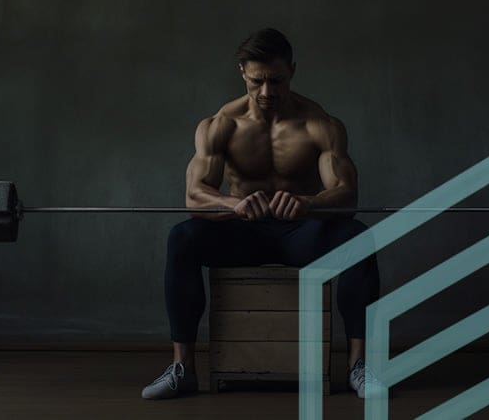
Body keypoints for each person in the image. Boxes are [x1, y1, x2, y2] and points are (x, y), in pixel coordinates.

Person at [141, 28, 382, 400]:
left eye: (277, 81)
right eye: (258, 81)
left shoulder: (320, 125)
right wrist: (232, 205)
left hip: (301, 233)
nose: (267, 92)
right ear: (243, 72)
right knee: (182, 237)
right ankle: (183, 368)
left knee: (358, 238)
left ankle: (358, 366)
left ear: (293, 72)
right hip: (242, 232)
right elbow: (194, 196)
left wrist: (309, 203)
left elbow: (347, 196)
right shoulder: (220, 125)